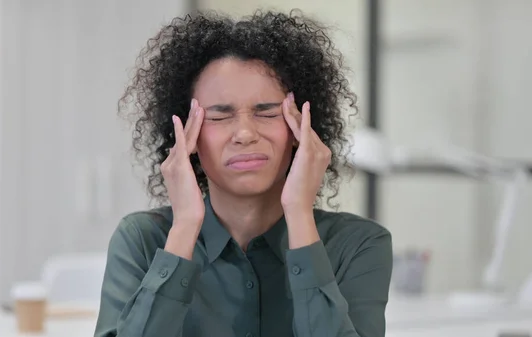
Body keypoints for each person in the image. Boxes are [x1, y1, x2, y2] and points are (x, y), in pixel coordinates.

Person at [95, 9, 392, 337]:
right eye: (220, 116)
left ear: (299, 131)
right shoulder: (142, 240)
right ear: (186, 136)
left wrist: (300, 216)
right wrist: (183, 230)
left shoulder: (359, 245)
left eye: (267, 113)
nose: (245, 133)